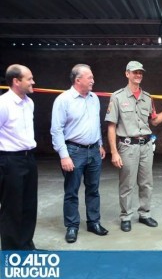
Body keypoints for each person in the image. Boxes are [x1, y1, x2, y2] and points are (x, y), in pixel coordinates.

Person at [105, 61, 162, 232]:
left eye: (141, 73)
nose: (138, 75)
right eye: (135, 72)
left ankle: (144, 214)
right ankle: (125, 216)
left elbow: (155, 120)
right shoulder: (117, 97)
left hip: (146, 145)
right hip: (128, 146)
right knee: (127, 184)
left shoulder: (147, 98)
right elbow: (111, 126)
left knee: (146, 183)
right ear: (127, 74)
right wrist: (114, 152)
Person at [51, 64, 108, 244]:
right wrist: (64, 155)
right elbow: (56, 130)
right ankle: (72, 226)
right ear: (78, 80)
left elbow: (96, 123)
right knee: (71, 191)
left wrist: (99, 143)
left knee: (93, 189)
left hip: (94, 151)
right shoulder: (63, 100)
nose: (93, 80)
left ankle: (93, 222)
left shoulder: (94, 99)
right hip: (73, 152)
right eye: (89, 77)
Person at [0, 64, 38, 250]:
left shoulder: (29, 103)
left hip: (29, 158)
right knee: (12, 208)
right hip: (9, 161)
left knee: (29, 206)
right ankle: (11, 252)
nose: (33, 82)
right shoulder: (3, 104)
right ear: (16, 81)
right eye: (29, 79)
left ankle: (26, 245)